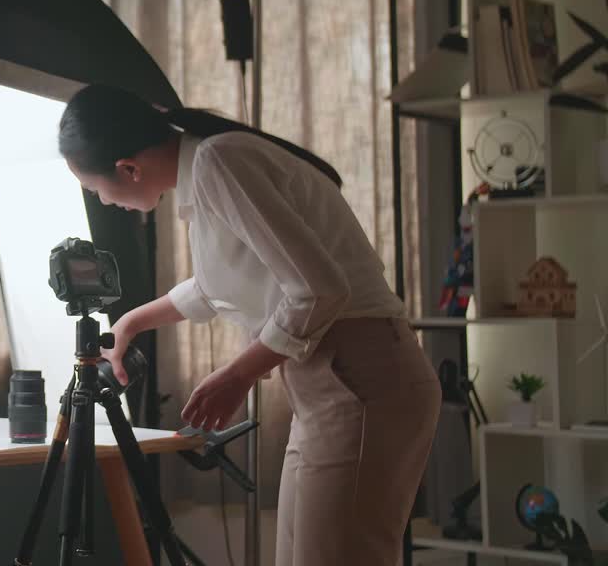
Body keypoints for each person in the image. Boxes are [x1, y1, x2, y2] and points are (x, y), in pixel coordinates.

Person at [59, 84, 440, 566]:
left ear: (128, 169)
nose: (105, 203)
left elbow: (321, 290)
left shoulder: (221, 163)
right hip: (331, 385)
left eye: (96, 191)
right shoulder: (207, 173)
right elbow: (217, 283)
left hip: (360, 377)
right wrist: (131, 322)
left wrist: (237, 375)